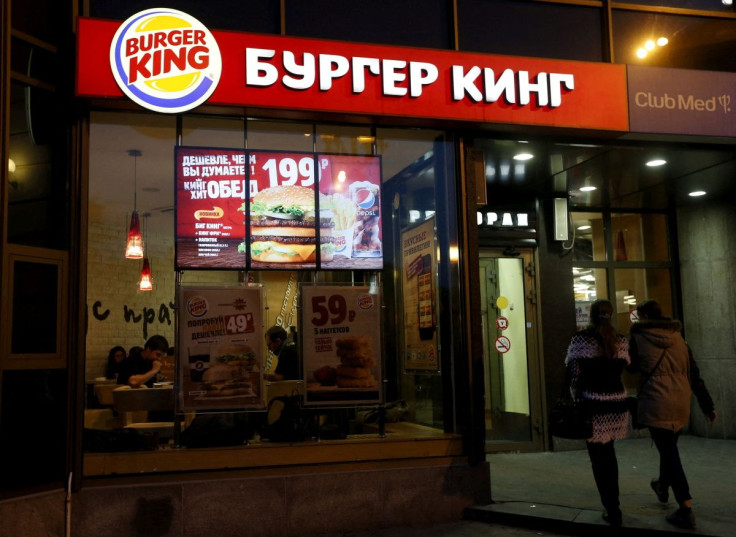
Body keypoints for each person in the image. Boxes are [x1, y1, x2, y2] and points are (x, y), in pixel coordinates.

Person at [629, 300, 716, 530]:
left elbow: (631, 367)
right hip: (680, 403)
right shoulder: (679, 338)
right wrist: (707, 406)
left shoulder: (638, 338)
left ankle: (685, 507)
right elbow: (694, 374)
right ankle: (661, 485)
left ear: (644, 316)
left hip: (656, 403)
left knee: (669, 453)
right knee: (668, 450)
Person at [565, 298, 631, 527]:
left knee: (598, 459)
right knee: (609, 456)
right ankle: (615, 507)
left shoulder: (581, 339)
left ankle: (612, 509)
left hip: (592, 404)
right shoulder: (620, 340)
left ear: (591, 315)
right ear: (610, 315)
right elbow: (625, 367)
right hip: (616, 405)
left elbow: (572, 371)